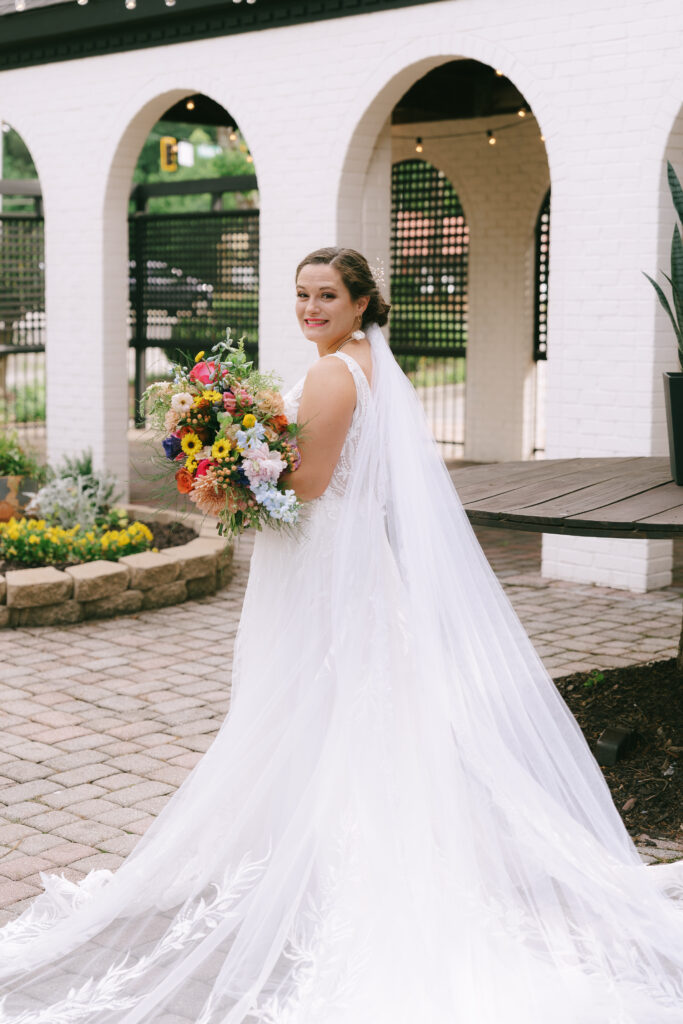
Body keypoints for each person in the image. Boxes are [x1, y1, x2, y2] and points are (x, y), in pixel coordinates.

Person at [0, 246, 682, 1023]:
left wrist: (226, 477)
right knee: (351, 701)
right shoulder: (364, 362)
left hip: (321, 563)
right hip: (344, 562)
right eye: (301, 295)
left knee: (311, 695)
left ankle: (319, 864)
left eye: (327, 295)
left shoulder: (333, 372)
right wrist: (237, 454)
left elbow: (312, 482)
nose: (310, 308)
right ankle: (319, 851)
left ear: (361, 303)